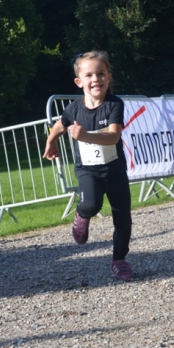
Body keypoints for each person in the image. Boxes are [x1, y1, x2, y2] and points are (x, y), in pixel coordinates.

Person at [43, 51, 133, 281]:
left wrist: (85, 136)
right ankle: (82, 215)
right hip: (88, 170)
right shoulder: (74, 109)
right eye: (89, 75)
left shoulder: (114, 104)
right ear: (79, 81)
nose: (96, 79)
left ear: (109, 77)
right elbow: (60, 125)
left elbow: (113, 136)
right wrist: (51, 141)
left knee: (122, 217)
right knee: (92, 204)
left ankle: (119, 260)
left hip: (115, 170)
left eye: (101, 74)